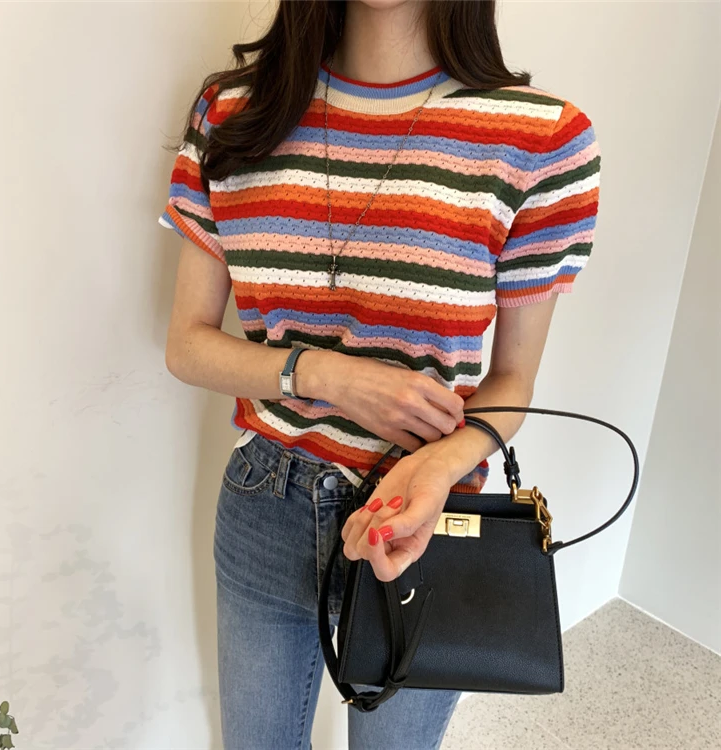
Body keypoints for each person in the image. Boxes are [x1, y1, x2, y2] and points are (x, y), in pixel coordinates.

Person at [157, 1, 601, 747]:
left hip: (426, 519)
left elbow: (513, 381)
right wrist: (328, 376)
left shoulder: (542, 139)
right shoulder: (233, 112)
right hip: (266, 502)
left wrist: (440, 466)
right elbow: (187, 346)